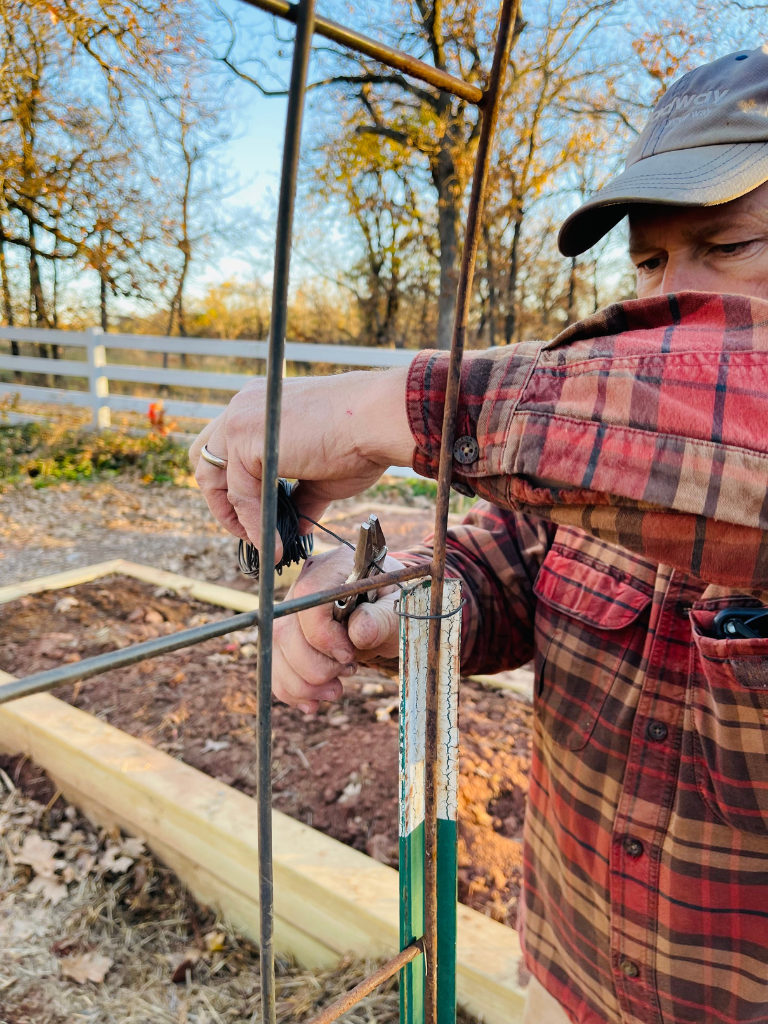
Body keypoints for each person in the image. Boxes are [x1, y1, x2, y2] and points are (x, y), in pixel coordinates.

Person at [191, 47, 768, 1024]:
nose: (661, 299)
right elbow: (509, 559)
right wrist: (409, 600)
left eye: (728, 244)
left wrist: (395, 406)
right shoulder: (599, 461)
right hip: (581, 972)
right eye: (654, 260)